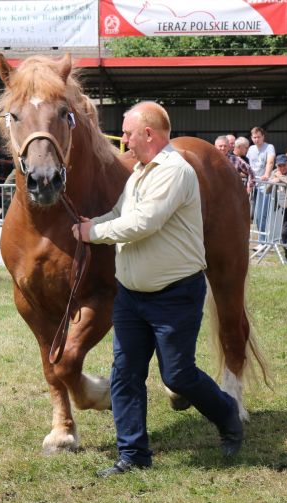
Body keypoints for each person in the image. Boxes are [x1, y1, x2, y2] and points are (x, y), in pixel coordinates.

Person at [72, 101, 243, 477]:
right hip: (131, 295)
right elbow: (120, 214)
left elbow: (142, 223)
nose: (124, 139)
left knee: (178, 375)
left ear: (148, 134)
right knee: (125, 373)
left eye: (128, 132)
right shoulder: (138, 174)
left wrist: (93, 234)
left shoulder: (174, 172)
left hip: (174, 293)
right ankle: (133, 455)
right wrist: (92, 223)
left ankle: (227, 412)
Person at [247, 127, 276, 243]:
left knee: (261, 214)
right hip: (253, 184)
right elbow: (248, 165)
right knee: (253, 214)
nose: (256, 139)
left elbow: (270, 161)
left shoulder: (269, 147)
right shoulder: (251, 149)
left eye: (258, 137)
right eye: (254, 137)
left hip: (264, 184)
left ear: (263, 136)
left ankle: (262, 240)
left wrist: (267, 174)